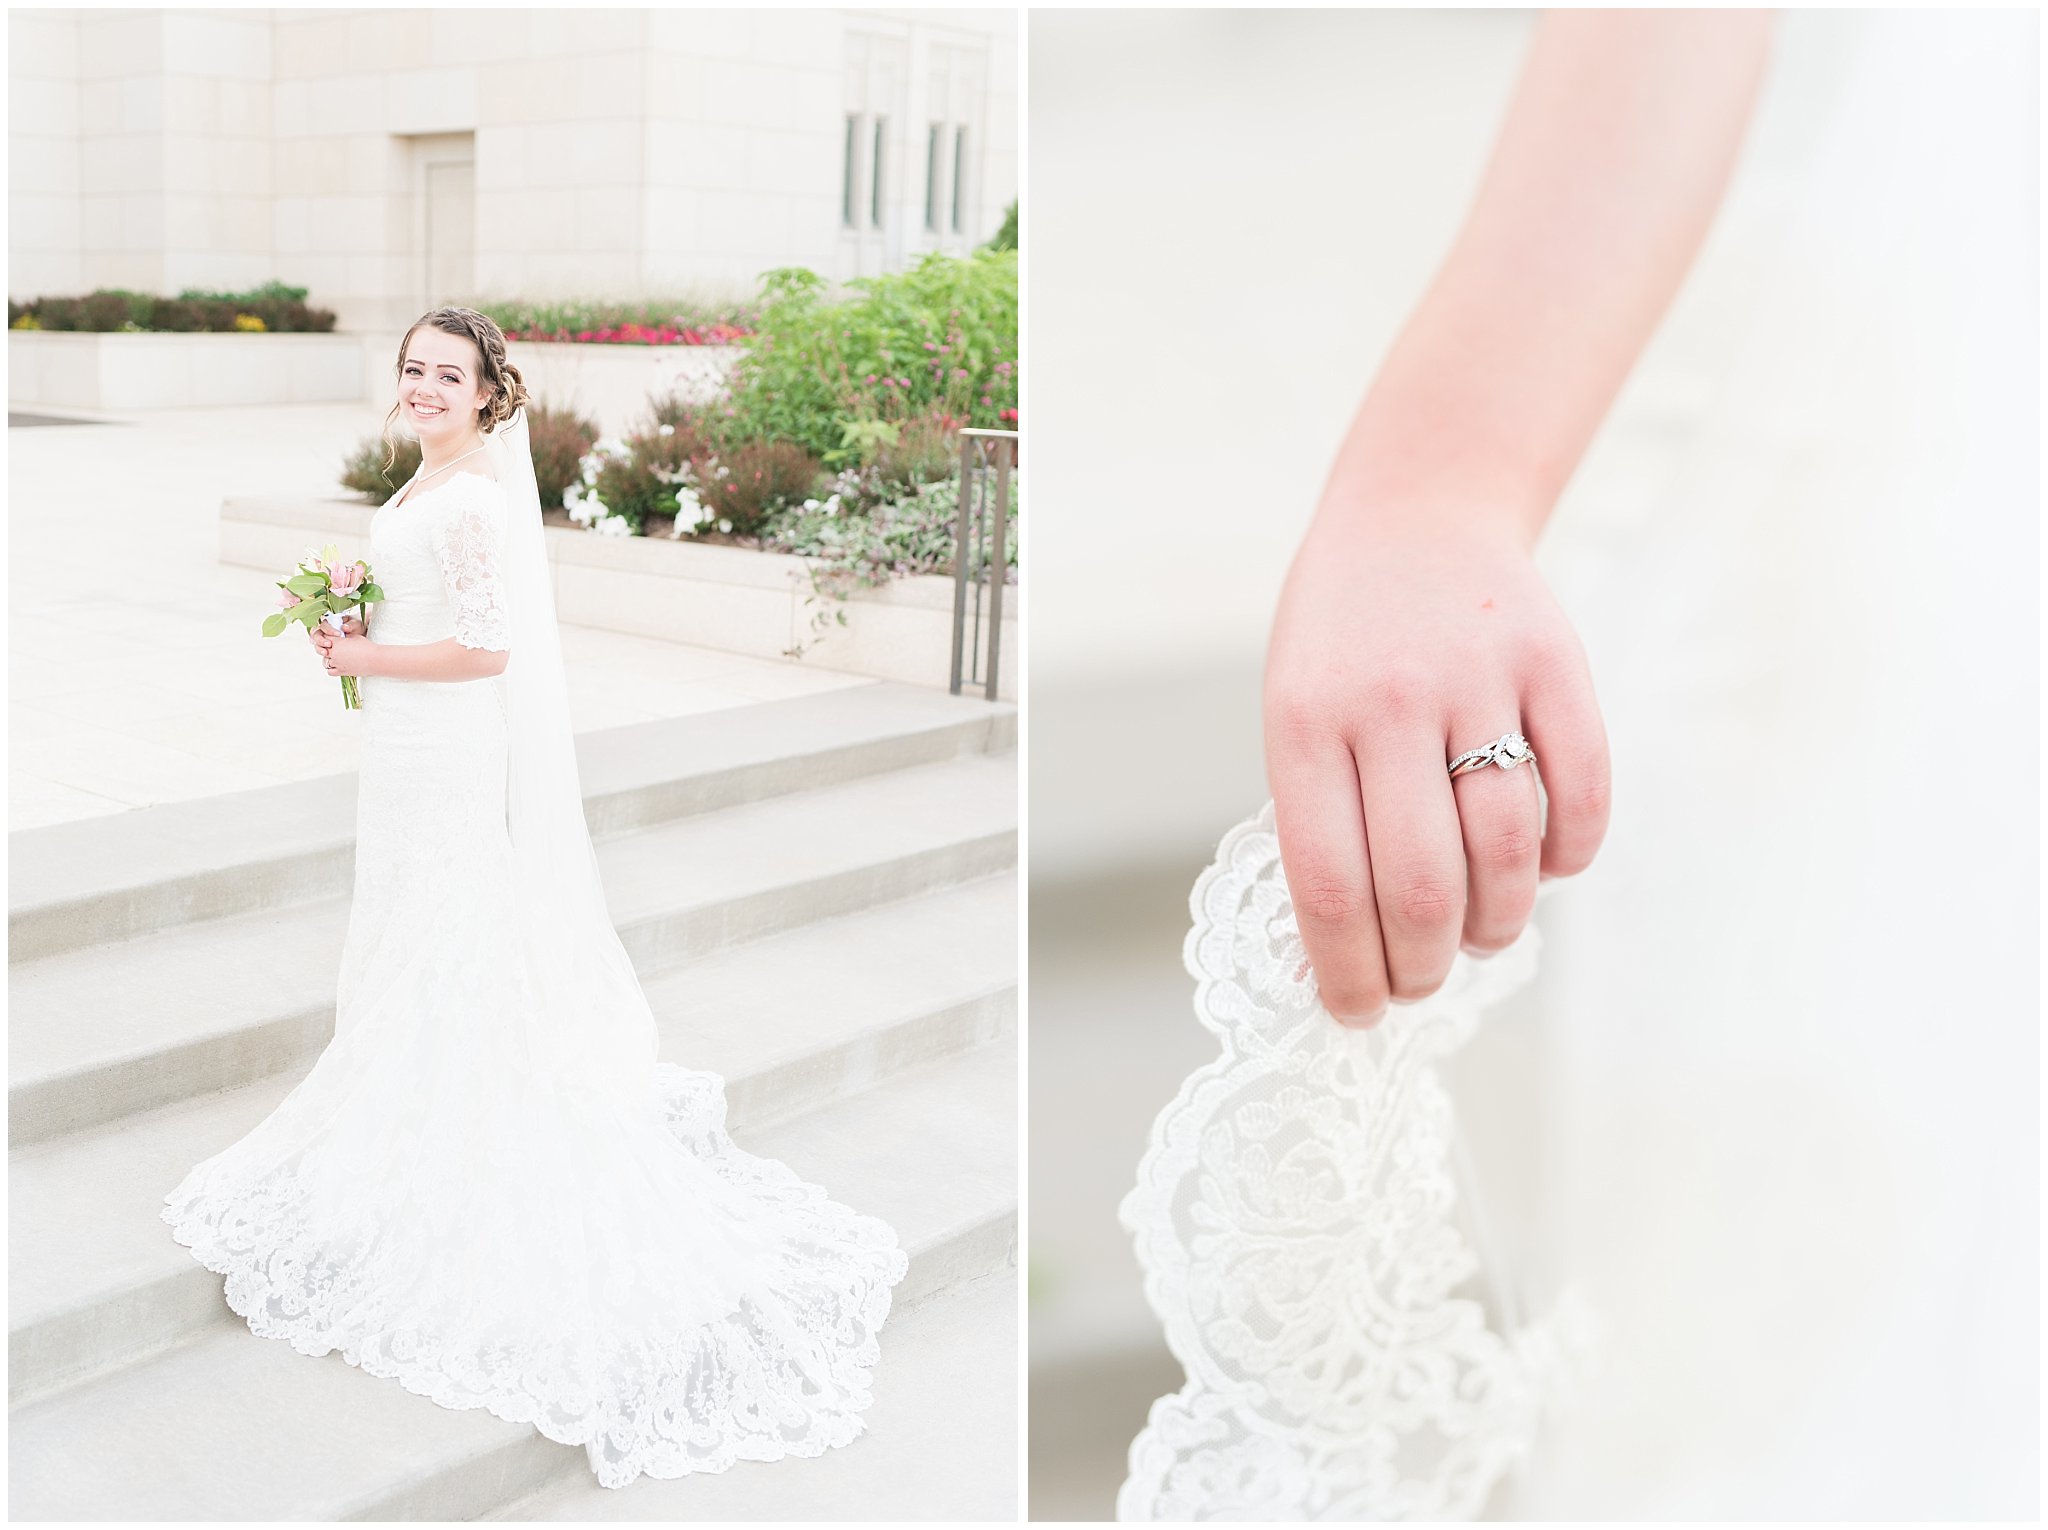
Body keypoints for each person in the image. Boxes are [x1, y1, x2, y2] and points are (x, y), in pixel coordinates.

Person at [163, 307, 909, 1490]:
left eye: (445, 375)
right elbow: (430, 627)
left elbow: (487, 650)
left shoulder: (471, 501)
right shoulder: (424, 483)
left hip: (447, 744)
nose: (421, 387)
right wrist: (352, 621)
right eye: (411, 369)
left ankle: (447, 1126)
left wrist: (365, 659)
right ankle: (400, 1091)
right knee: (409, 924)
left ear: (485, 394)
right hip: (405, 751)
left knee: (449, 928)